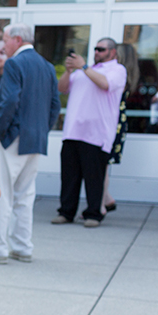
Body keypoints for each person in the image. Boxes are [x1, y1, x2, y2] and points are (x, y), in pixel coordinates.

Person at [0, 23, 61, 263]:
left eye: (6, 39)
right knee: (25, 196)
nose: (4, 43)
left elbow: (8, 101)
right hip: (35, 139)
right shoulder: (47, 66)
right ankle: (22, 246)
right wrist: (41, 130)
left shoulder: (14, 64)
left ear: (17, 40)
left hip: (12, 138)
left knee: (3, 195)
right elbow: (55, 106)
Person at [54, 38, 126, 228]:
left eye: (101, 49)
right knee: (69, 176)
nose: (97, 52)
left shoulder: (117, 70)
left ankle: (94, 214)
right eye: (95, 49)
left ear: (113, 52)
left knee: (94, 177)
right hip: (72, 131)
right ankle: (66, 212)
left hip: (96, 134)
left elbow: (104, 84)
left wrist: (83, 66)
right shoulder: (82, 71)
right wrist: (69, 71)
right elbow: (62, 89)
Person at [102, 43, 140, 214]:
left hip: (113, 122)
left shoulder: (118, 74)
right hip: (119, 121)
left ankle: (102, 202)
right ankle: (105, 199)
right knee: (103, 166)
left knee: (102, 165)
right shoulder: (129, 74)